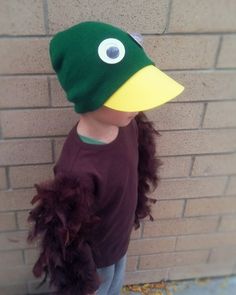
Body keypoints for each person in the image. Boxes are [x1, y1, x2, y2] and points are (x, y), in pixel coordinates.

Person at [26, 21, 184, 295]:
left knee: (115, 286)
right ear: (89, 96)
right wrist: (84, 281)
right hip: (95, 263)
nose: (137, 106)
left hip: (118, 242)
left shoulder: (129, 126)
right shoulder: (77, 168)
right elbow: (68, 238)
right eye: (126, 97)